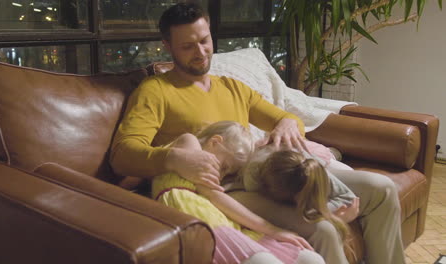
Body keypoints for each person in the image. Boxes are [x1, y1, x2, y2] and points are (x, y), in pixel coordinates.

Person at [109, 3, 405, 264]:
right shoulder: (156, 91)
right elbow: (123, 154)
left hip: (265, 171)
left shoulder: (232, 87)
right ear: (168, 46)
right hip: (228, 190)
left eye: (204, 40)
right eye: (187, 46)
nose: (200, 52)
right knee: (323, 228)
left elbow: (287, 118)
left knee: (381, 189)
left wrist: (288, 123)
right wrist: (174, 159)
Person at [152, 120, 325, 264]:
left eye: (228, 173)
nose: (221, 176)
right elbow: (214, 194)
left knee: (311, 259)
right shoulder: (189, 142)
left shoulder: (206, 181)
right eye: (225, 166)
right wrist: (273, 230)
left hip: (222, 221)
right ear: (214, 142)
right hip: (203, 223)